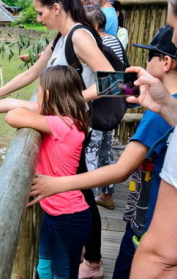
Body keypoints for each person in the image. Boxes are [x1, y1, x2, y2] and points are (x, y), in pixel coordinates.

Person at [0, 0, 116, 278]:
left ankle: (92, 261)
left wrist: (69, 103)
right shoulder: (59, 39)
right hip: (64, 122)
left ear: (56, 8)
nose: (38, 19)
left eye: (40, 13)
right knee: (81, 192)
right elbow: (32, 73)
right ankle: (90, 259)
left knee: (82, 194)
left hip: (73, 126)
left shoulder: (79, 36)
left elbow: (115, 82)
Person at [25, 24, 177, 278]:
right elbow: (117, 86)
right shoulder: (161, 100)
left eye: (149, 56)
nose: (143, 63)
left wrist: (57, 184)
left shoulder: (157, 115)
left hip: (151, 224)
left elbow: (121, 169)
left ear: (165, 63)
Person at [0, 65, 92, 278]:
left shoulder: (65, 125)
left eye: (39, 91)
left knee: (62, 274)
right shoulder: (64, 118)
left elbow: (13, 115)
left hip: (69, 217)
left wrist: (36, 106)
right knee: (43, 268)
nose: (36, 96)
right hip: (52, 212)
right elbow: (13, 103)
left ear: (48, 95)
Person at [126, 0, 177, 278]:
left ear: (166, 62)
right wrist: (167, 107)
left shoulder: (153, 119)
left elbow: (163, 256)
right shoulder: (164, 108)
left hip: (147, 228)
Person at [85, 8, 126, 211]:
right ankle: (106, 195)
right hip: (111, 107)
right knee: (105, 152)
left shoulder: (100, 45)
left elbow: (110, 80)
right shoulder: (115, 41)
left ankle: (89, 202)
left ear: (93, 26)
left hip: (100, 108)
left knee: (91, 154)